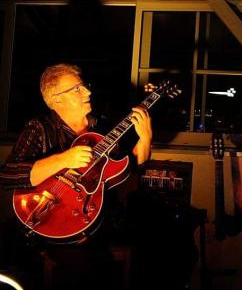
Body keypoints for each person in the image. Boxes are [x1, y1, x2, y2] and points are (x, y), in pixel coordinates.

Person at [0, 63, 152, 289]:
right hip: (53, 220)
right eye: (78, 89)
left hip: (102, 217)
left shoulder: (101, 127)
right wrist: (63, 160)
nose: (88, 92)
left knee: (155, 241)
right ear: (57, 99)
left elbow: (127, 168)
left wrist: (146, 137)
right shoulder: (40, 128)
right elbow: (7, 175)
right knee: (83, 266)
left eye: (85, 87)